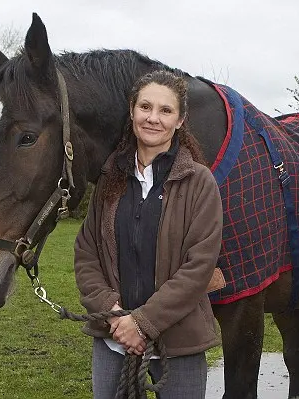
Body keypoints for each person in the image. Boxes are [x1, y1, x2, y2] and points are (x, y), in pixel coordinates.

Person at [73, 69, 223, 399]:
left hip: (179, 342)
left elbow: (198, 268)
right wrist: (113, 314)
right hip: (114, 339)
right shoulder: (110, 177)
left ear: (181, 120)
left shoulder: (199, 182)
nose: (153, 118)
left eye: (165, 110)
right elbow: (87, 252)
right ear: (132, 111)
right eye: (145, 107)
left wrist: (142, 322)